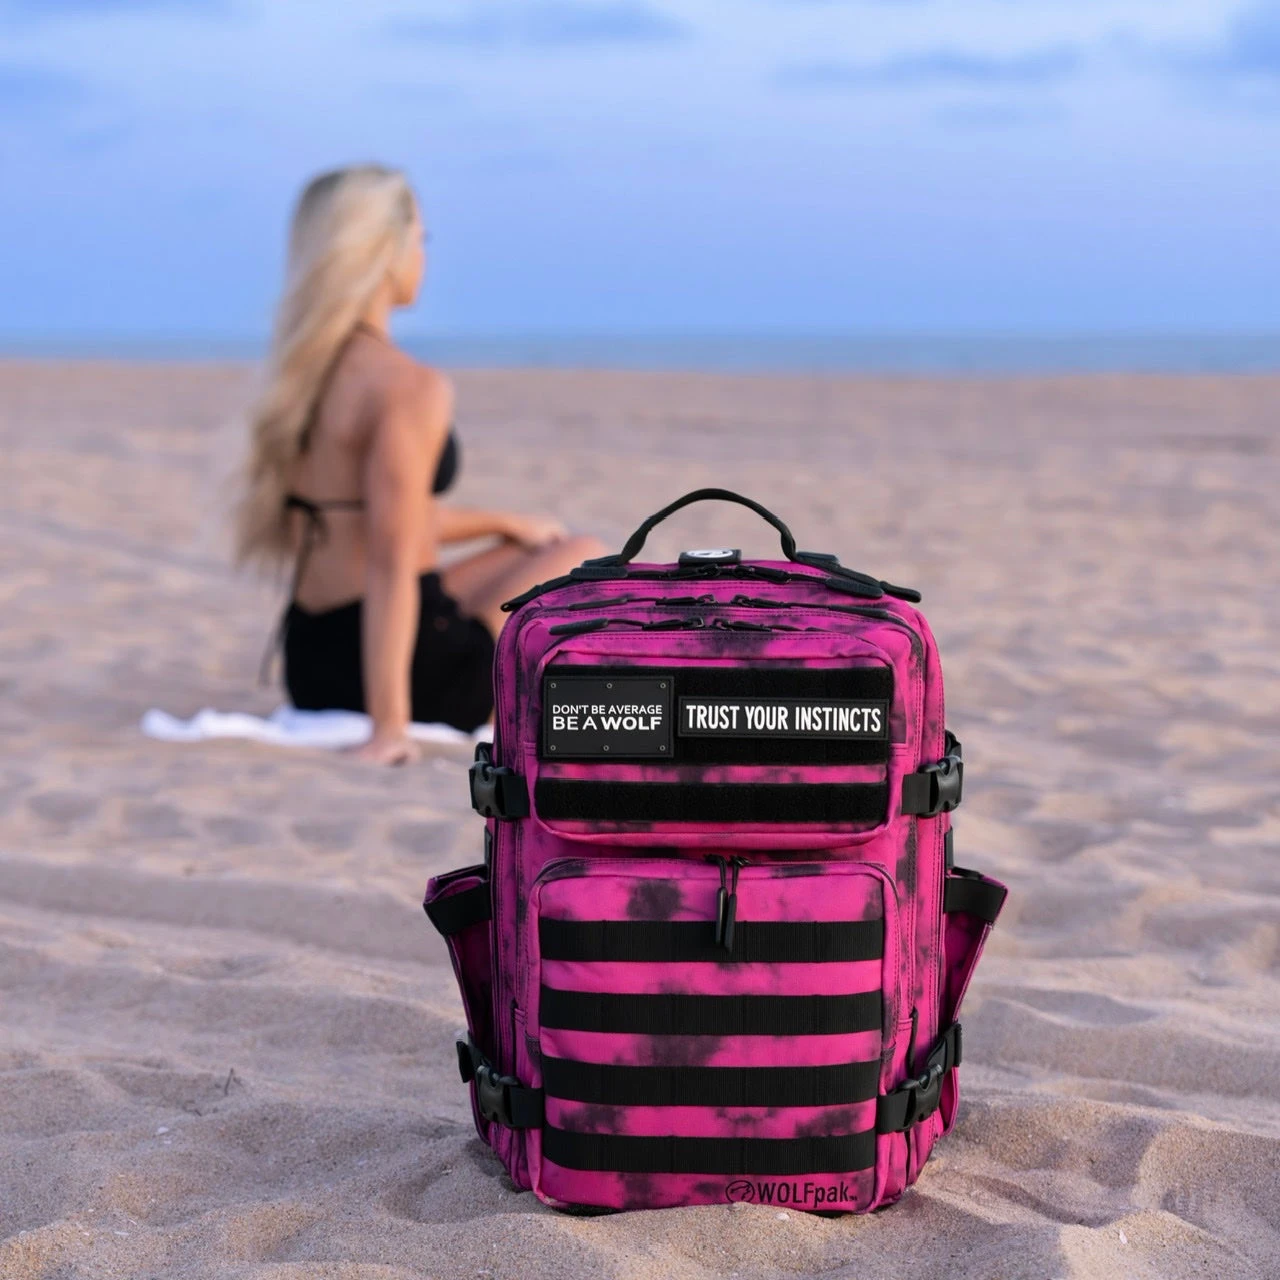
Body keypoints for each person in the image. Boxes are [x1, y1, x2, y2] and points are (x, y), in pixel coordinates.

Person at [234, 165, 604, 764]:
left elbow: (373, 521)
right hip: (417, 677)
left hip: (312, 662)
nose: (423, 257)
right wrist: (389, 728)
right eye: (420, 239)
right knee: (586, 557)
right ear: (386, 250)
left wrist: (502, 523)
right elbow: (390, 559)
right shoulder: (406, 385)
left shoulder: (299, 379)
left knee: (538, 547)